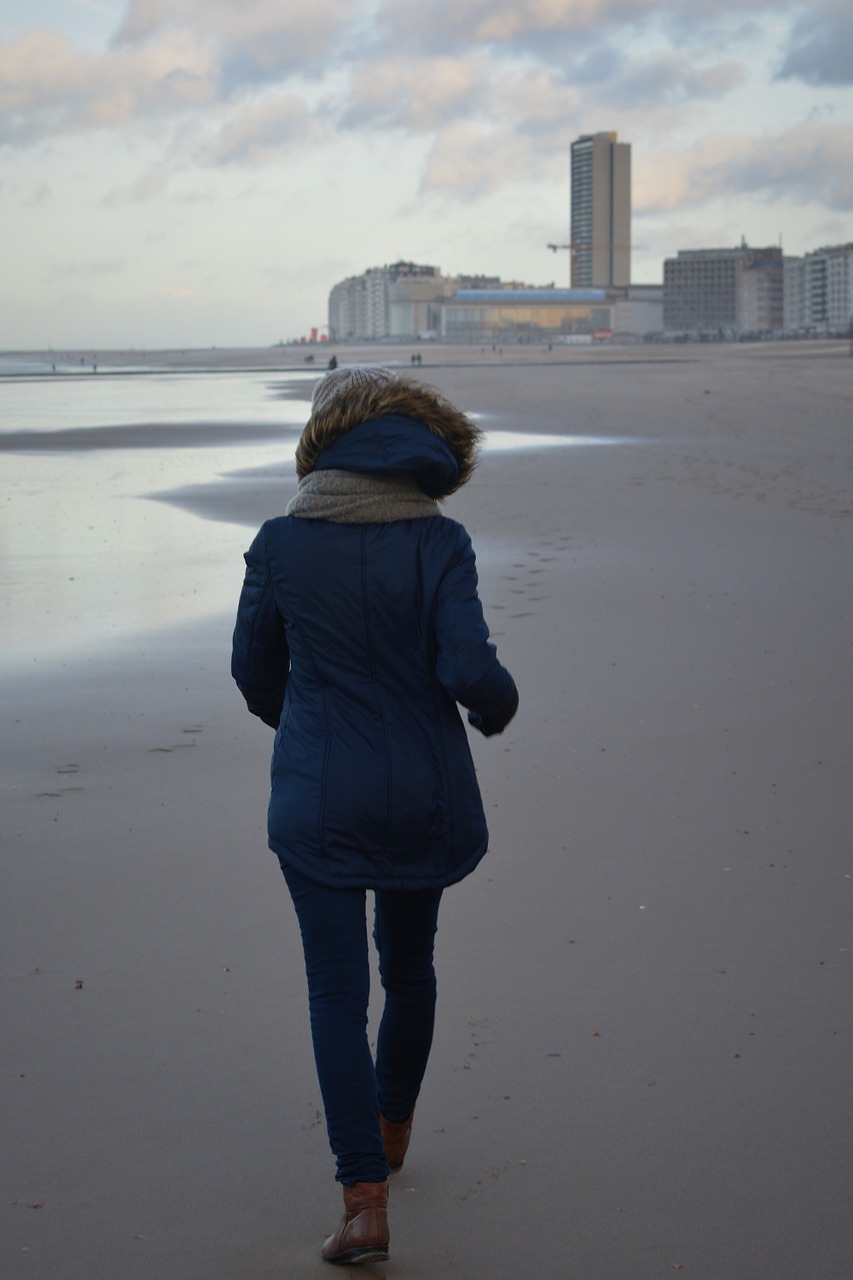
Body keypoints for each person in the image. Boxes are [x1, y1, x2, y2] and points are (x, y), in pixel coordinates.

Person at [231, 365, 518, 1266]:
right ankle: (393, 1135)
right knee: (412, 971)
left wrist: (311, 729)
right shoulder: (440, 540)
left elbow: (253, 671)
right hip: (422, 791)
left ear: (323, 442)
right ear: (416, 448)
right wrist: (497, 708)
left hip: (318, 794)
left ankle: (363, 1202)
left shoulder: (280, 540)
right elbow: (471, 671)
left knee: (333, 993)